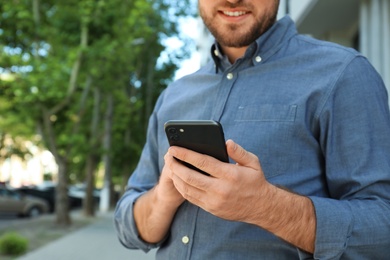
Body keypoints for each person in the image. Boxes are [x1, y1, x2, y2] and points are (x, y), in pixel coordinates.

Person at [115, 0, 390, 259]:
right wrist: (164, 197)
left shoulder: (343, 74)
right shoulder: (174, 95)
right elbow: (128, 227)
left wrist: (266, 207)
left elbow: (383, 228)